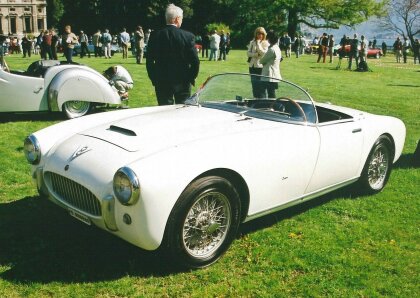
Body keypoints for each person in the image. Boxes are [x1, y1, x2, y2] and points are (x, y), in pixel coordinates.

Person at [146, 4, 200, 106]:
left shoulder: (155, 36)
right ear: (177, 19)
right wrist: (191, 77)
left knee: (164, 111)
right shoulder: (188, 36)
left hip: (161, 80)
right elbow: (195, 61)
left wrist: (154, 78)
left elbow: (149, 61)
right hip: (183, 80)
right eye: (181, 19)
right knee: (182, 110)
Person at [247, 27, 269, 98]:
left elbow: (263, 53)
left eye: (262, 34)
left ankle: (263, 101)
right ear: (256, 34)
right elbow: (248, 53)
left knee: (261, 87)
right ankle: (255, 99)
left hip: (260, 67)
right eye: (258, 33)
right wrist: (256, 54)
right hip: (252, 66)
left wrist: (259, 44)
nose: (260, 35)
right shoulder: (252, 42)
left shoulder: (265, 43)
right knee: (254, 86)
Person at [260, 31, 282, 98]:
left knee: (270, 93)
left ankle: (271, 106)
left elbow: (262, 60)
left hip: (269, 74)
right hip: (275, 73)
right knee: (272, 92)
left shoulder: (271, 50)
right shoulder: (277, 48)